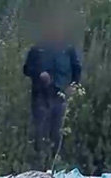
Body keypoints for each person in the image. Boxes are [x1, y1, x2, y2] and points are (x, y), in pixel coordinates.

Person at [23, 21, 82, 162]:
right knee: (40, 133)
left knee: (58, 133)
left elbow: (77, 68)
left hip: (61, 96)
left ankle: (56, 164)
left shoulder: (68, 48)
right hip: (40, 97)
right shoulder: (37, 49)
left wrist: (73, 86)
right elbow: (26, 69)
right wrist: (39, 74)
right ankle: (40, 164)